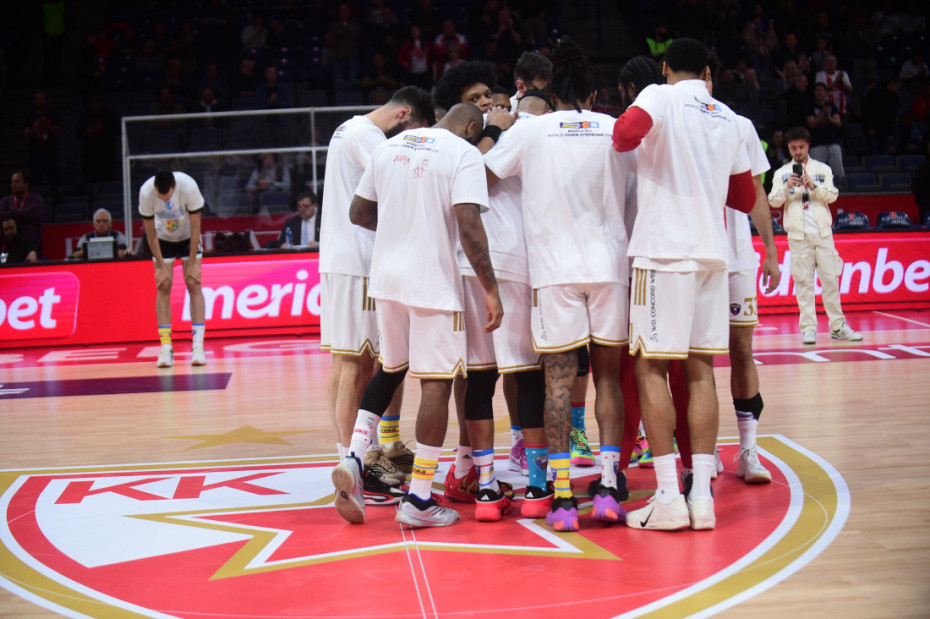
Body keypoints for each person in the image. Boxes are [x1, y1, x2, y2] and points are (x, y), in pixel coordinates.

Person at [486, 36, 636, 532]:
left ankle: (565, 497)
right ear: (593, 94)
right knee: (608, 378)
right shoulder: (614, 128)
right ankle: (609, 487)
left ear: (552, 96)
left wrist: (494, 127)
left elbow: (484, 176)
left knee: (557, 381)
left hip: (553, 271)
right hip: (609, 265)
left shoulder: (532, 131)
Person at [332, 103, 499, 528]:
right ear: (471, 127)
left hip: (386, 279)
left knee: (389, 369)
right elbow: (469, 224)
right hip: (433, 282)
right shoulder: (462, 153)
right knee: (436, 385)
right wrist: (491, 288)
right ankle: (420, 499)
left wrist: (399, 228)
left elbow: (358, 213)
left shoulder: (388, 147)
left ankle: (353, 457)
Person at [612, 37, 756, 531]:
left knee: (651, 367)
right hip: (712, 254)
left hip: (664, 251)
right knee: (700, 372)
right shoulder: (728, 116)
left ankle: (669, 496)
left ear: (666, 67)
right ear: (707, 70)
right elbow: (743, 196)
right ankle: (701, 498)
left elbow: (624, 135)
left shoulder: (660, 95)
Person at [318, 86, 436, 495]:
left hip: (342, 259)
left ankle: (352, 459)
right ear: (404, 114)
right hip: (360, 259)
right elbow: (401, 183)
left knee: (347, 364)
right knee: (356, 366)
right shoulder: (366, 136)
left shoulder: (346, 129)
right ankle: (355, 464)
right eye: (416, 130)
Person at [769, 127, 863, 345]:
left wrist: (813, 185)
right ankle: (809, 328)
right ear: (788, 148)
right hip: (797, 236)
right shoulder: (782, 173)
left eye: (801, 147)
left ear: (808, 146)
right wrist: (786, 187)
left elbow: (833, 196)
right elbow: (773, 201)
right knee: (803, 283)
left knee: (830, 280)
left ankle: (838, 326)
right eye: (793, 148)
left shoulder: (823, 169)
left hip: (823, 234)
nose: (798, 151)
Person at [139, 170, 208, 368]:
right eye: (161, 197)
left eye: (167, 197)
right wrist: (160, 266)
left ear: (174, 187)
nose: (164, 200)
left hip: (188, 236)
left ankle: (198, 346)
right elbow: (150, 232)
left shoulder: (188, 186)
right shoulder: (146, 192)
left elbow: (196, 226)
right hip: (162, 238)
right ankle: (166, 347)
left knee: (193, 282)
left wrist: (193, 263)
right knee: (163, 285)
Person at [75, 94, 120, 183]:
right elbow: (77, 133)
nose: (96, 105)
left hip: (106, 150)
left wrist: (103, 128)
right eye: (93, 102)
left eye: (97, 102)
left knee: (108, 177)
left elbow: (117, 129)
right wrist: (88, 130)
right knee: (89, 177)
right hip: (89, 151)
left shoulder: (109, 114)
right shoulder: (85, 116)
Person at [0, 170, 45, 258]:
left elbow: (32, 213)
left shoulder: (36, 199)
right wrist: (22, 214)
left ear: (26, 184)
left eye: (17, 182)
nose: (13, 185)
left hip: (32, 244)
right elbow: (2, 215)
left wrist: (11, 213)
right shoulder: (5, 201)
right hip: (10, 247)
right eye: (12, 182)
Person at [806, 82, 845, 178]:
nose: (819, 92)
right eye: (817, 90)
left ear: (825, 93)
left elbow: (838, 123)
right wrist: (822, 114)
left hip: (832, 143)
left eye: (822, 90)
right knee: (816, 174)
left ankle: (841, 186)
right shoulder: (810, 107)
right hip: (817, 144)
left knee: (838, 172)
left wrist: (829, 118)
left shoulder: (831, 106)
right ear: (814, 92)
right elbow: (811, 124)